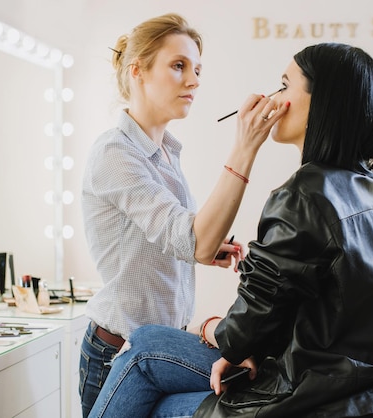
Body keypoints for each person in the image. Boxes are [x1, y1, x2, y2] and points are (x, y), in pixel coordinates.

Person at [87, 42, 373, 418]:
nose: (271, 97)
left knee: (145, 350)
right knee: (151, 366)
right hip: (345, 389)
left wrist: (210, 327)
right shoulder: (368, 191)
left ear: (322, 102)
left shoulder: (306, 195)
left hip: (299, 394)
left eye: (284, 85)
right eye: (179, 66)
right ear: (137, 72)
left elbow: (247, 321)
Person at [79, 13, 289, 417]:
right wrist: (243, 149)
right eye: (179, 66)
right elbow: (188, 236)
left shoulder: (166, 156)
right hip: (116, 351)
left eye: (196, 69)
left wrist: (200, 250)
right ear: (138, 70)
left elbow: (174, 238)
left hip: (161, 346)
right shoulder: (116, 154)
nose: (193, 80)